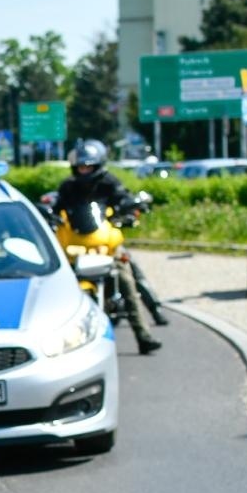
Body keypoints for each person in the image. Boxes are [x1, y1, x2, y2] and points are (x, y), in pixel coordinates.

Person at [50, 140, 161, 355]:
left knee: (126, 278)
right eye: (81, 166)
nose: (84, 170)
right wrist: (52, 218)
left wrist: (128, 209)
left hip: (104, 244)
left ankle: (143, 335)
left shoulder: (109, 182)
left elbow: (123, 197)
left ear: (97, 165)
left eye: (88, 166)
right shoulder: (68, 187)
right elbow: (56, 208)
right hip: (75, 244)